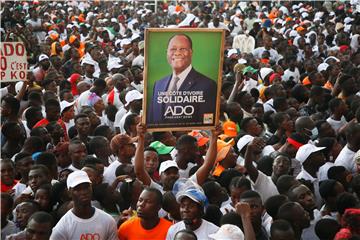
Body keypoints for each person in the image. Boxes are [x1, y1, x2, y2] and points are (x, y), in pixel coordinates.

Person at [148, 34, 217, 126]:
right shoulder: (158, 85)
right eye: (173, 49)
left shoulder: (207, 85)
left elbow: (207, 123)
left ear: (191, 52)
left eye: (183, 49)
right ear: (167, 53)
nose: (177, 53)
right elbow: (151, 120)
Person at [50, 170, 118, 239]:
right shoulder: (62, 227)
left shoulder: (108, 220)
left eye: (86, 187)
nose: (84, 192)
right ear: (69, 193)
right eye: (78, 189)